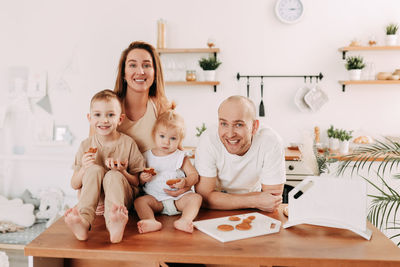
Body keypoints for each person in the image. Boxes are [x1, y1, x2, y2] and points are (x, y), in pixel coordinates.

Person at [65, 89, 145, 243]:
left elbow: (137, 182)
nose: (104, 120)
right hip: (95, 202)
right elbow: (74, 184)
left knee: (113, 175)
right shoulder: (86, 145)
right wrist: (84, 168)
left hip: (121, 200)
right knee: (94, 169)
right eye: (97, 115)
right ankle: (83, 221)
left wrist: (122, 171)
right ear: (89, 118)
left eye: (110, 115)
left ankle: (114, 222)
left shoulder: (128, 144)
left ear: (120, 119)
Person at [195, 95, 285, 212]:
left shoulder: (271, 141)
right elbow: (204, 197)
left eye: (238, 124)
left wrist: (222, 200)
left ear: (254, 126)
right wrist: (254, 200)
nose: (230, 134)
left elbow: (272, 200)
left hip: (254, 211)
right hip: (215, 211)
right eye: (224, 124)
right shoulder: (208, 139)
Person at [134, 107, 202, 234]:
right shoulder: (146, 156)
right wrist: (143, 178)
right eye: (162, 136)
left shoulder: (181, 156)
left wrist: (186, 181)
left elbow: (194, 176)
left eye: (173, 138)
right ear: (153, 135)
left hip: (179, 200)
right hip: (155, 200)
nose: (166, 141)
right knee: (139, 202)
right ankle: (150, 220)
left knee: (196, 198)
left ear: (180, 140)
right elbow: (138, 181)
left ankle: (185, 219)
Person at [114, 41, 171, 153]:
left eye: (146, 65)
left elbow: (176, 150)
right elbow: (92, 150)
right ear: (123, 74)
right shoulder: (107, 106)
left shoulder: (161, 107)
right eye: (132, 65)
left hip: (153, 170)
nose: (140, 71)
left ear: (155, 73)